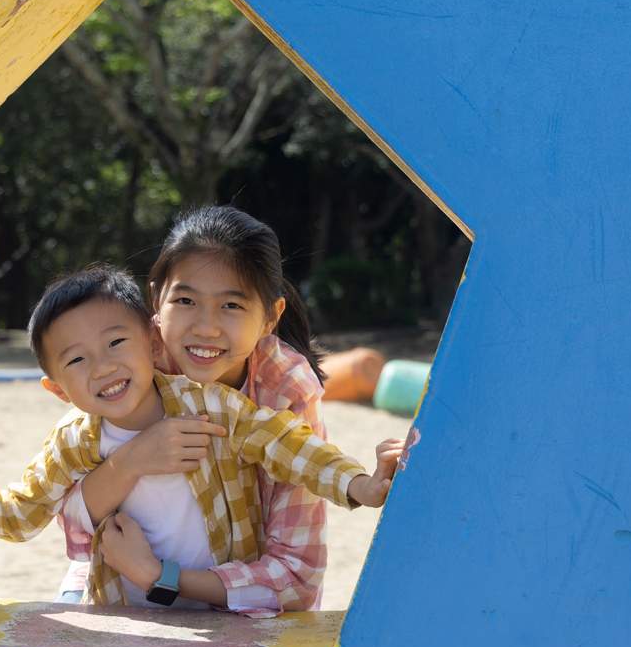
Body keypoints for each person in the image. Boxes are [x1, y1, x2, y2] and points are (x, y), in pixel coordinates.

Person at [0, 263, 404, 609]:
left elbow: (289, 447)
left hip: (217, 611)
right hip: (122, 613)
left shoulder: (208, 405)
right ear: (58, 388)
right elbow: (22, 512)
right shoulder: (73, 442)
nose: (105, 366)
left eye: (117, 342)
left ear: (150, 338)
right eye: (77, 360)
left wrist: (360, 485)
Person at [57, 206, 399, 615]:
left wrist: (160, 577)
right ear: (156, 298)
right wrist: (130, 461)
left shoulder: (283, 391)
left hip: (223, 603)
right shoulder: (126, 359)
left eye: (232, 306)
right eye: (185, 300)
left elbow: (297, 579)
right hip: (114, 587)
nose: (205, 327)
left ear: (271, 316)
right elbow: (66, 514)